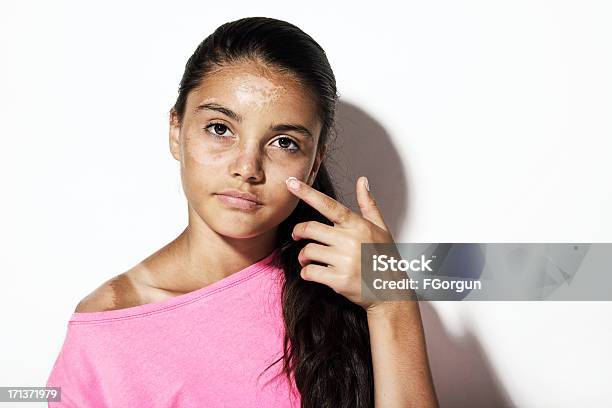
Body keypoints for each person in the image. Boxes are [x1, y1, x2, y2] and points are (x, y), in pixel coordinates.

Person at [46, 16, 439, 408]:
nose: (247, 168)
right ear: (175, 130)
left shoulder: (351, 284)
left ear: (314, 162)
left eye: (283, 142)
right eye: (220, 129)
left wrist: (391, 301)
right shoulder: (108, 328)